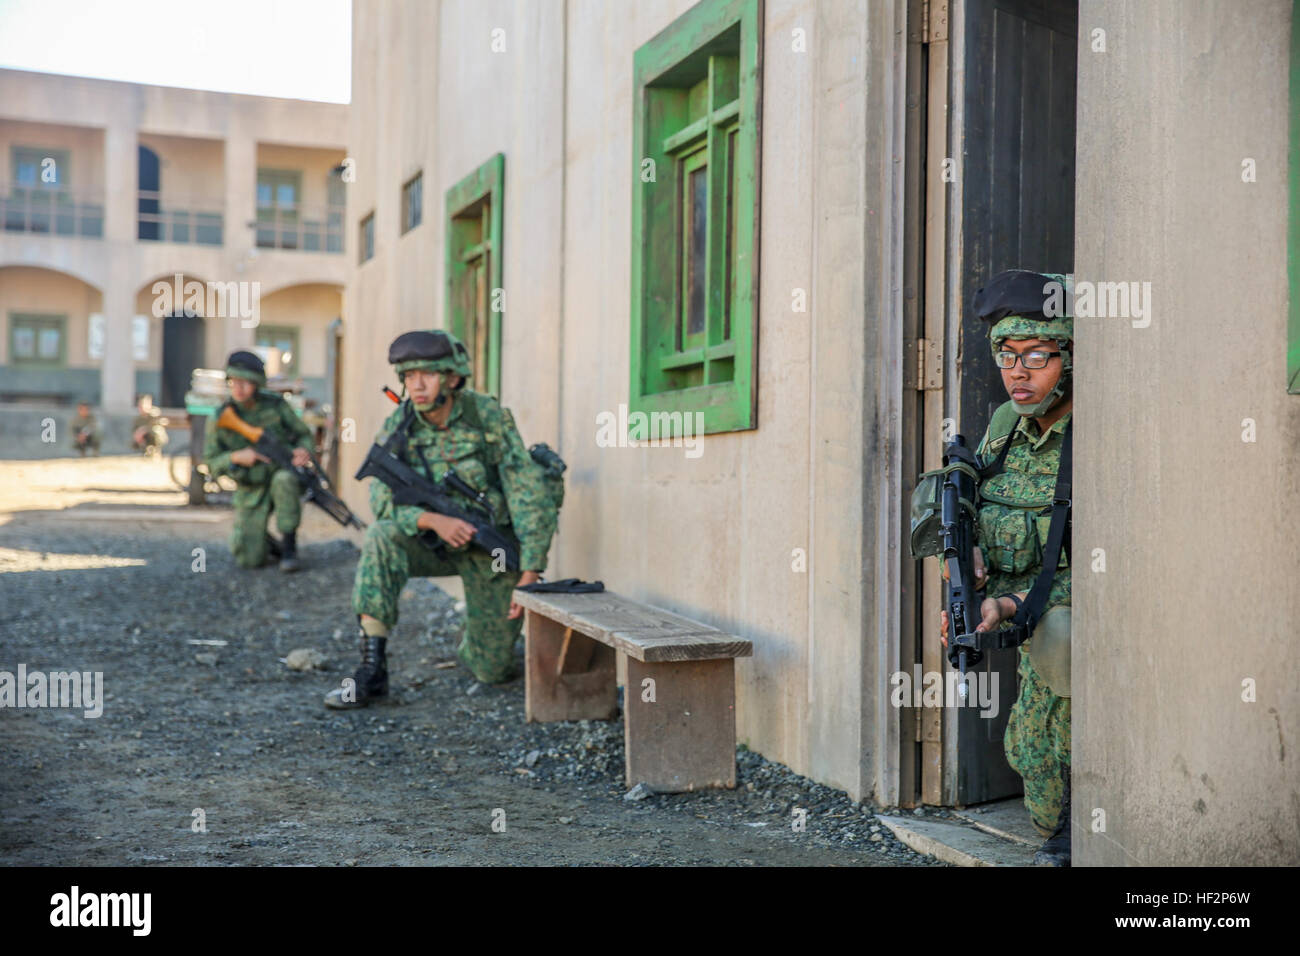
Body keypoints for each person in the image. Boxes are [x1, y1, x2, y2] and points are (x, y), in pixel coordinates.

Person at [325, 329, 559, 709]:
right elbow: (382, 501)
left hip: (489, 551)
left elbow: (526, 491)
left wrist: (530, 571)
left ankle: (482, 638)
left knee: (492, 670)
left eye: (428, 375)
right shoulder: (401, 425)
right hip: (431, 543)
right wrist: (433, 521)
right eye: (409, 376)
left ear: (452, 377)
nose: (417, 386)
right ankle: (372, 667)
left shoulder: (487, 417)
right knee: (382, 536)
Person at [939, 269, 1073, 866]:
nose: (1017, 374)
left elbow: (1119, 565)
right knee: (1027, 754)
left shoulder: (1099, 436)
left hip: (1073, 633)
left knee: (1070, 760)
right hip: (1021, 628)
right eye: (1006, 356)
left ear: (1070, 356)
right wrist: (963, 558)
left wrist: (1015, 605)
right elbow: (960, 490)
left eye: (1037, 356)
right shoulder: (1003, 427)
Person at [203, 350, 315, 572]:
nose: (239, 388)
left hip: (280, 475)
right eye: (234, 382)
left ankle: (290, 548)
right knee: (249, 559)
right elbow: (211, 462)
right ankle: (271, 545)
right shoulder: (220, 417)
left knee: (284, 480)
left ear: (257, 384)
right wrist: (236, 457)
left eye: (246, 383)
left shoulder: (275, 405)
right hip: (251, 487)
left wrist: (303, 450)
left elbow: (303, 433)